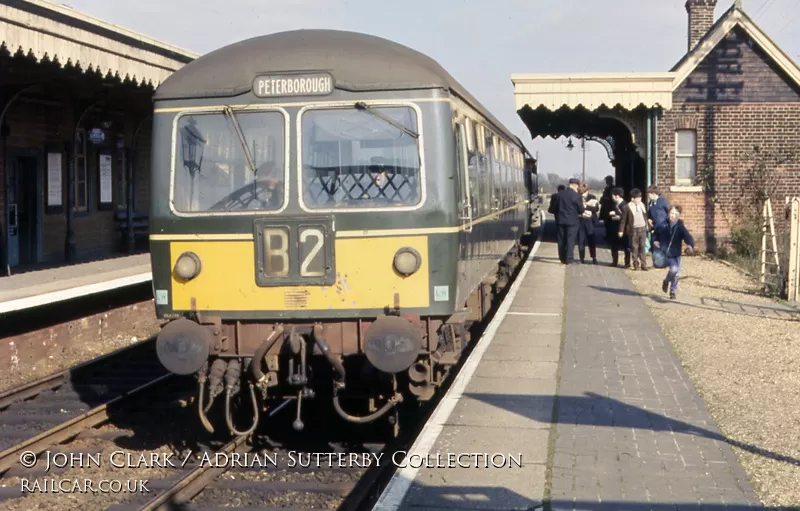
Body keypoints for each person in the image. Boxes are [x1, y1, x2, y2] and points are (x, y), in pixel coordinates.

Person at [653, 205, 695, 299]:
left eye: (676, 214)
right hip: (666, 253)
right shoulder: (662, 225)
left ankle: (672, 290)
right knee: (674, 269)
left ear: (679, 215)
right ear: (668, 214)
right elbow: (655, 235)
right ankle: (667, 281)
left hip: (676, 253)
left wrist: (689, 245)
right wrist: (655, 241)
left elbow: (687, 237)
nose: (673, 216)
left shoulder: (680, 227)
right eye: (672, 213)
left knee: (677, 274)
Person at [556, 178, 585, 264]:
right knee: (570, 240)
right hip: (572, 222)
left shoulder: (559, 194)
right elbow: (581, 210)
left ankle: (562, 257)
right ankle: (569, 259)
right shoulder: (576, 196)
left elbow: (555, 207)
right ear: (575, 185)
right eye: (577, 186)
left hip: (561, 221)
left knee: (561, 239)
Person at [619, 188, 648, 271]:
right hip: (633, 230)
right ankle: (635, 263)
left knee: (642, 246)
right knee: (634, 247)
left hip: (642, 228)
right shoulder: (627, 207)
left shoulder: (642, 205)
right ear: (632, 199)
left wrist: (647, 225)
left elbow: (645, 216)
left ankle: (644, 264)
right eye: (637, 198)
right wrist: (621, 230)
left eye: (640, 198)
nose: (639, 199)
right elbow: (623, 220)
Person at [607, 187, 630, 268]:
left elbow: (625, 217)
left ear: (617, 196)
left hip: (623, 229)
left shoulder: (625, 205)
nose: (612, 198)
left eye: (613, 196)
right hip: (614, 228)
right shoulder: (615, 205)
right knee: (614, 246)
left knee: (626, 247)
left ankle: (627, 263)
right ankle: (614, 261)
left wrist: (615, 214)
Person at [578, 183, 599, 264]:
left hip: (590, 221)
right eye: (581, 193)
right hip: (580, 220)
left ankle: (593, 257)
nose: (582, 195)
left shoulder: (592, 197)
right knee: (581, 240)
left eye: (584, 193)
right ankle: (581, 257)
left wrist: (586, 206)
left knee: (592, 240)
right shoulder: (577, 197)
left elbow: (596, 209)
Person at [599, 175, 615, 244]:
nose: (606, 181)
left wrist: (605, 198)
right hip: (605, 208)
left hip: (610, 208)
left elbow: (611, 198)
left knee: (610, 223)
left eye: (607, 180)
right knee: (606, 223)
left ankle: (610, 236)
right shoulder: (606, 188)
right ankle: (608, 235)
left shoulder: (613, 188)